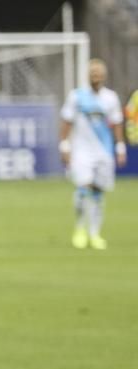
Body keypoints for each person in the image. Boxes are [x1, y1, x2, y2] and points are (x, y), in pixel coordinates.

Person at [59, 59, 127, 250]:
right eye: (92, 73)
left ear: (104, 76)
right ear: (87, 75)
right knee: (82, 189)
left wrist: (120, 148)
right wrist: (64, 146)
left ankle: (95, 233)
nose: (95, 76)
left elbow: (116, 124)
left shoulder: (111, 98)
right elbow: (66, 121)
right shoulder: (77, 96)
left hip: (103, 152)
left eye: (98, 73)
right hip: (81, 151)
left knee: (98, 192)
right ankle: (80, 228)